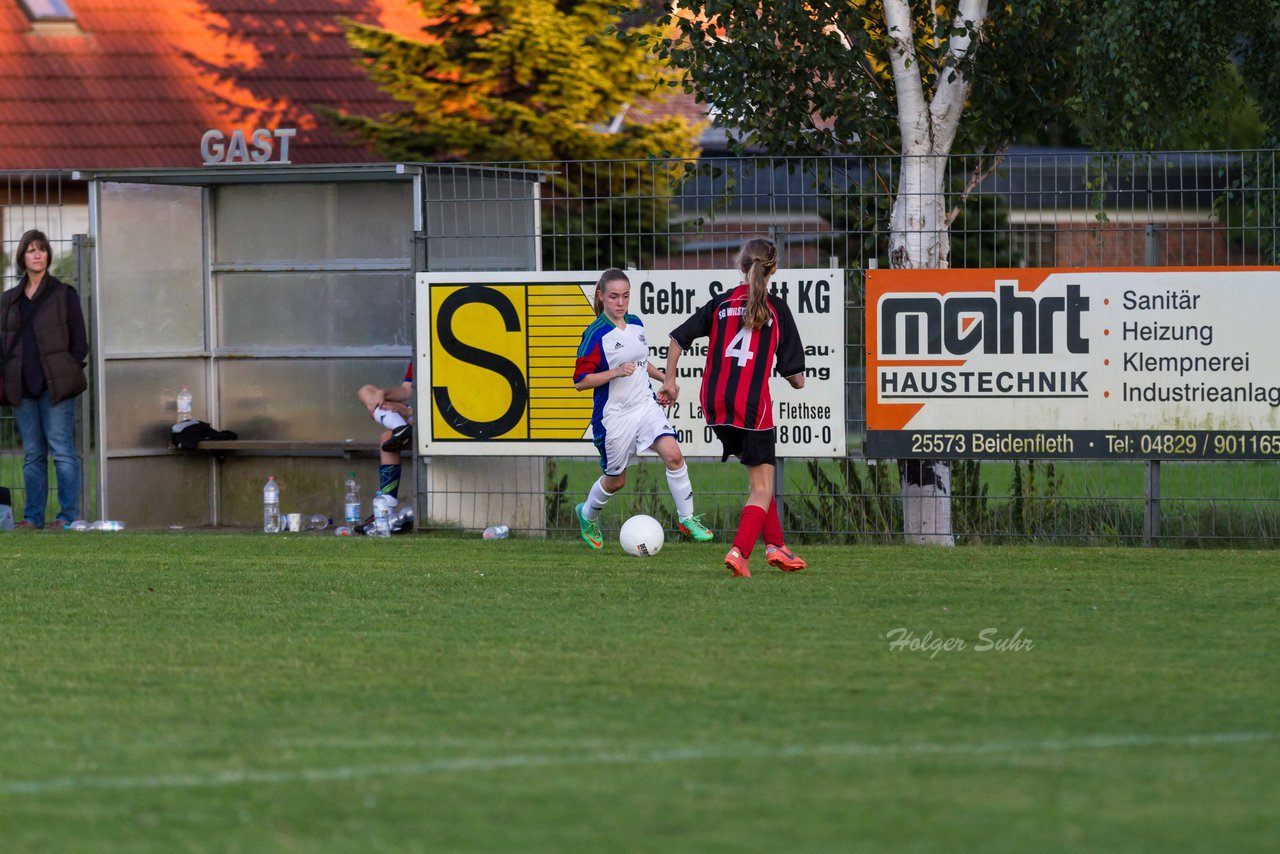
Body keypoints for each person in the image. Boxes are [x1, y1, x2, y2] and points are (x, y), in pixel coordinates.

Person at [661, 238, 807, 577]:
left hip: (714, 404)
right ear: (774, 270)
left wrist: (669, 380)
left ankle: (777, 546)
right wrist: (796, 380)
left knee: (760, 478)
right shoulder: (776, 309)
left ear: (739, 264)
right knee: (762, 487)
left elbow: (676, 339)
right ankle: (739, 552)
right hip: (752, 408)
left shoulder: (720, 303)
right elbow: (796, 378)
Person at [572, 268, 712, 548]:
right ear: (601, 296)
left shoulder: (635, 323)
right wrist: (614, 372)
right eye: (613, 297)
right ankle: (587, 514)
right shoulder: (595, 334)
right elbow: (581, 382)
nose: (620, 303)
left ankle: (687, 518)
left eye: (625, 296)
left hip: (644, 405)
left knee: (673, 455)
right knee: (616, 481)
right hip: (613, 417)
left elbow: (639, 362)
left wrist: (665, 379)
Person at [1, 229, 89, 529]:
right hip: (22, 388)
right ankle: (32, 517)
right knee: (32, 455)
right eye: (31, 250)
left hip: (57, 387)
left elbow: (80, 341)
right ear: (22, 257)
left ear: (48, 255)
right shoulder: (9, 300)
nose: (37, 255)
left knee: (62, 452)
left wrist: (68, 369)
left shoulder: (63, 294)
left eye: (42, 249)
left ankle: (66, 518)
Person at [356, 363, 413, 505]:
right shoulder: (423, 351)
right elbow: (406, 390)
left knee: (387, 438)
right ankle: (399, 426)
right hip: (415, 417)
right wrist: (383, 393)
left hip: (437, 421)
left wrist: (409, 412)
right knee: (366, 391)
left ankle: (387, 507)